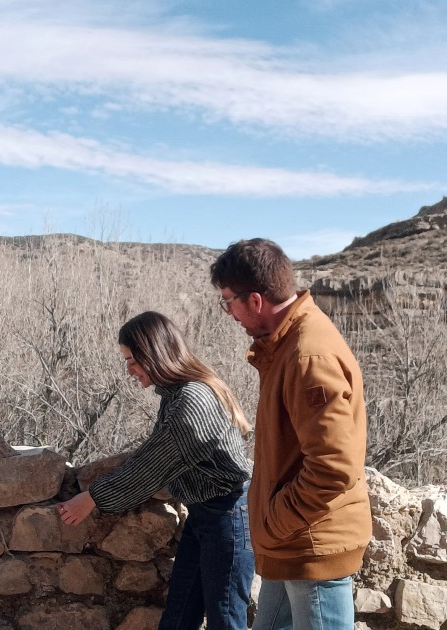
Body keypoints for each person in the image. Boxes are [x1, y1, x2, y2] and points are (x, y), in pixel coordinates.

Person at [209, 238, 371, 630]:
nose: (229, 313)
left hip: (311, 548)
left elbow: (334, 468)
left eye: (228, 301)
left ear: (256, 300)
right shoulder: (287, 346)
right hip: (292, 546)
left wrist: (275, 520)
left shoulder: (306, 355)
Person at [57, 311, 254, 630]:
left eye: (132, 359)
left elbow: (151, 466)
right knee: (178, 618)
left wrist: (91, 498)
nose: (128, 369)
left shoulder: (193, 400)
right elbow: (155, 452)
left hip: (228, 516)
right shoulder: (177, 395)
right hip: (205, 516)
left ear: (154, 353)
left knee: (225, 619)